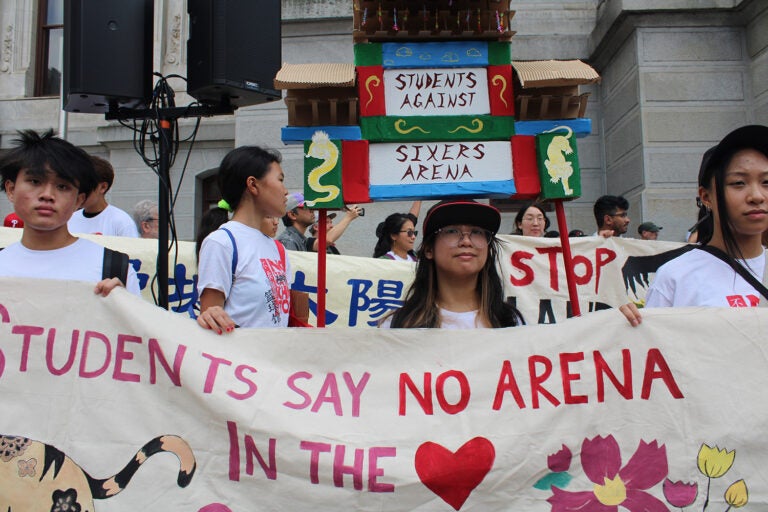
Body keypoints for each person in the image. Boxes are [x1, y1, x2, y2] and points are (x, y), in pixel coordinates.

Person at [621, 125, 768, 324]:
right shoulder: (676, 277)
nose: (757, 196)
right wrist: (624, 327)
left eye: (766, 182)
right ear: (706, 196)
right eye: (738, 183)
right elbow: (655, 349)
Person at [0, 129, 139, 296]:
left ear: (79, 201)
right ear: (11, 189)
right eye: (35, 181)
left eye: (62, 187)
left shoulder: (114, 270)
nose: (47, 195)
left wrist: (122, 305)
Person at [380, 199, 524, 328]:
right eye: (452, 231)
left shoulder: (511, 322)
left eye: (477, 232)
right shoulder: (397, 326)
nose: (466, 241)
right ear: (429, 249)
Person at [196, 146, 291, 333]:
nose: (286, 191)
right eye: (280, 180)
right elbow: (211, 323)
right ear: (253, 185)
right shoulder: (222, 243)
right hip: (240, 360)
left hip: (276, 358)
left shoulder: (278, 249)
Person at [67, 155, 140, 237]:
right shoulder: (69, 220)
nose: (79, 193)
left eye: (85, 187)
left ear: (103, 187)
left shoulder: (121, 221)